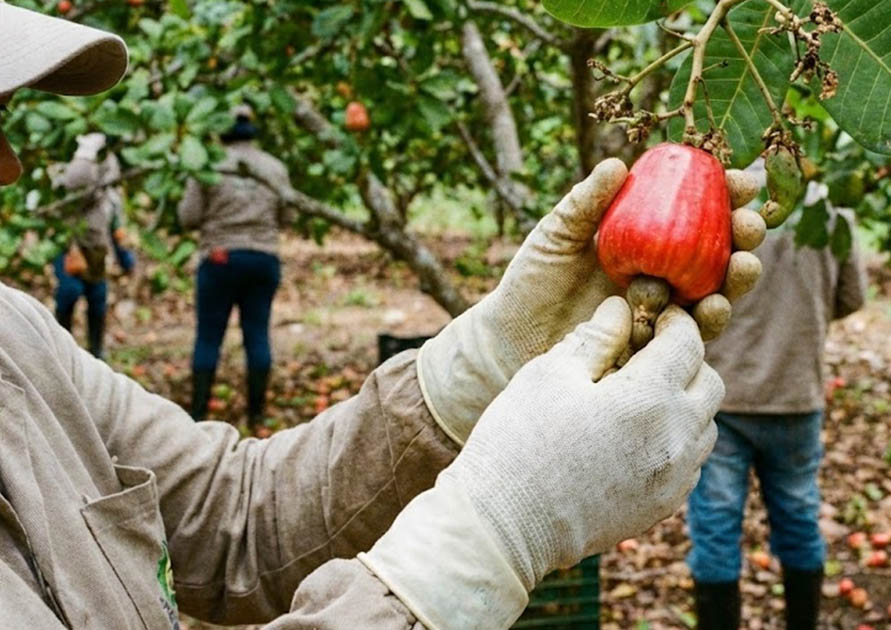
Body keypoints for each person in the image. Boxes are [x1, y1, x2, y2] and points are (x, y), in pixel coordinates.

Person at [0, 5, 763, 628]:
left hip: (220, 267)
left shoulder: (16, 338)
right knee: (253, 343)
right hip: (261, 264)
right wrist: (485, 539)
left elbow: (236, 515)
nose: (12, 164)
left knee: (217, 344)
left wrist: (478, 367)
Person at [688, 194, 866, 630]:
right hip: (796, 393)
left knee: (715, 526)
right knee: (799, 517)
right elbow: (851, 296)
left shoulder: (720, 206)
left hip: (722, 398)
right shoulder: (832, 208)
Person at [179, 107, 291, 429]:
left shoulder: (206, 165)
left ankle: (198, 414)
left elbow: (188, 217)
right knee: (257, 333)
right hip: (263, 257)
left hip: (220, 256)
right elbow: (289, 216)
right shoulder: (275, 168)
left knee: (208, 336)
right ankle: (256, 415)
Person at [51, 132, 136, 359]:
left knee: (97, 299)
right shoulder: (71, 171)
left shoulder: (107, 177)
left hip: (97, 247)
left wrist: (123, 255)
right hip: (71, 245)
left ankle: (96, 353)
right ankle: (61, 352)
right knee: (69, 293)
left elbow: (114, 219)